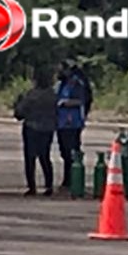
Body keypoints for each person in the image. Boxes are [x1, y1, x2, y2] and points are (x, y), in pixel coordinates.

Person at [13, 67, 58, 196]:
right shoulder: (53, 95)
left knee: (30, 158)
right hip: (48, 128)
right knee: (45, 157)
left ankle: (32, 186)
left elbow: (19, 113)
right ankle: (49, 185)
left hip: (32, 127)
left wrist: (17, 103)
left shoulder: (31, 95)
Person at [55, 60, 89, 192]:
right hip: (61, 123)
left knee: (72, 153)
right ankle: (67, 179)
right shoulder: (61, 84)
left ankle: (73, 181)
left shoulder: (76, 83)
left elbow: (81, 100)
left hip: (72, 123)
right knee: (64, 152)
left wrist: (64, 103)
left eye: (61, 70)